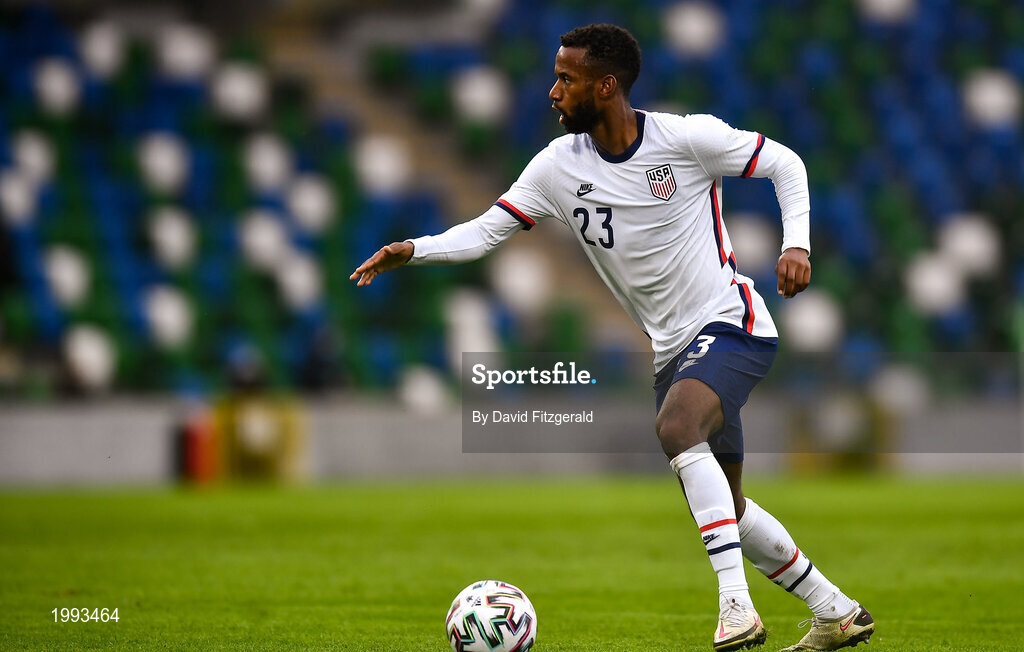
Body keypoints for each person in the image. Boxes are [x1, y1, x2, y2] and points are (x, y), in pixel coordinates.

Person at [351, 23, 874, 652]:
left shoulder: (684, 139)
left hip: (731, 321)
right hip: (670, 348)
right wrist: (413, 250)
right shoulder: (555, 167)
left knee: (677, 431)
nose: (552, 92)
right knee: (727, 508)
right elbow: (486, 231)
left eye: (565, 79)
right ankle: (835, 612)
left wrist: (797, 244)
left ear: (606, 86)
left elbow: (786, 163)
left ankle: (736, 608)